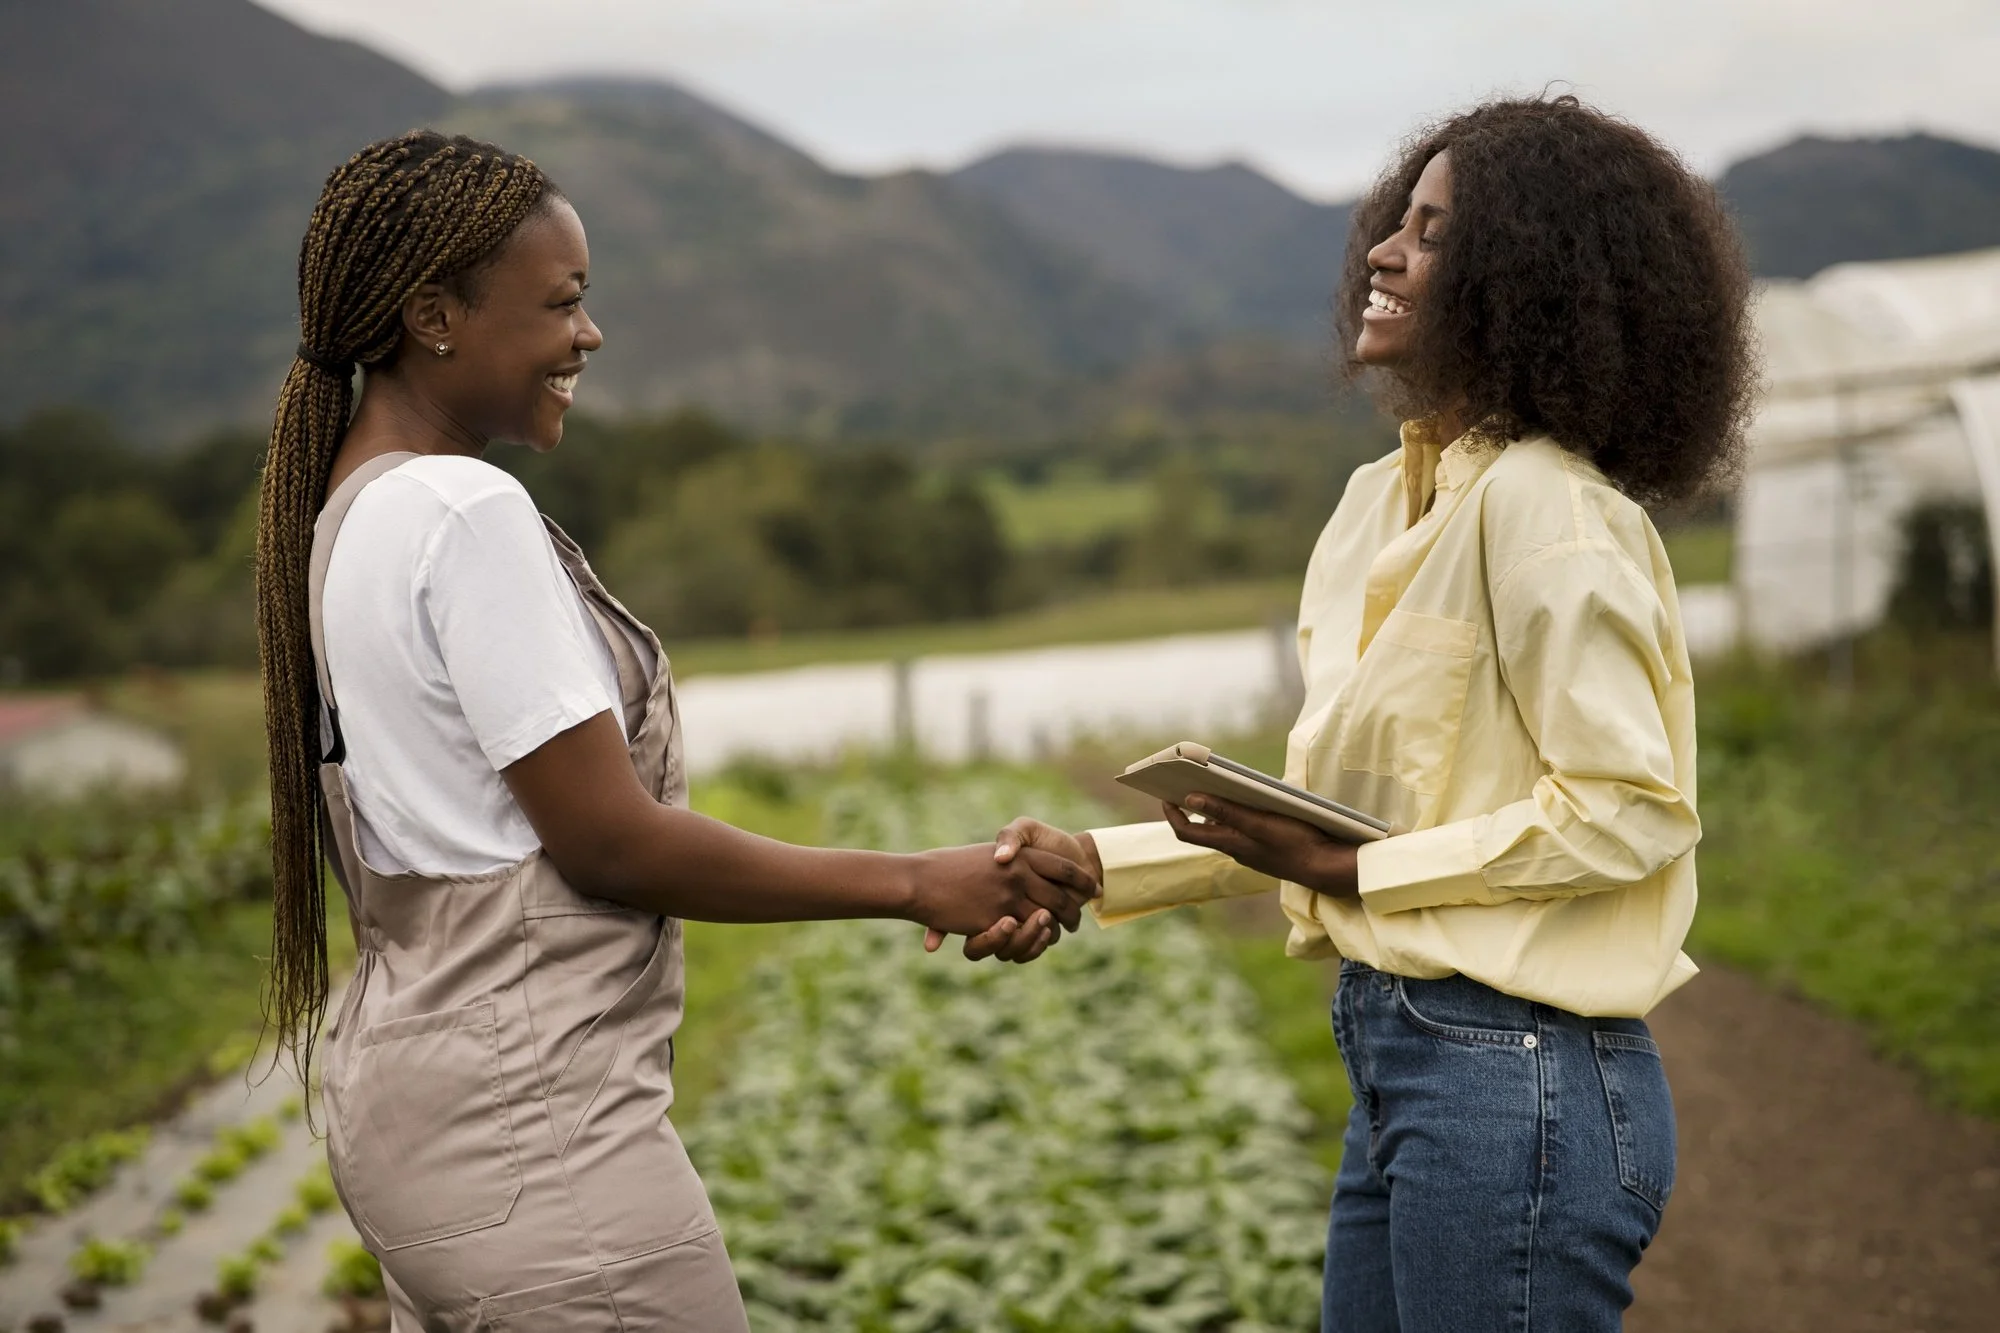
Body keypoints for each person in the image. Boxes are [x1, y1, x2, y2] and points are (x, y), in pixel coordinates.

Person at [254, 130, 1097, 1330]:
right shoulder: (464, 508)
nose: (587, 336)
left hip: (415, 1119)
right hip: (534, 1142)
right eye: (563, 302)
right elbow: (609, 843)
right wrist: (919, 878)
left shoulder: (350, 511)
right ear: (433, 314)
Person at [998, 94, 1755, 1332]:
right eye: (1394, 222)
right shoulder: (1371, 508)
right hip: (1405, 1064)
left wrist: (1360, 863)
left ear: (1529, 283)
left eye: (1434, 234)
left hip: (1519, 1085)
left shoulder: (1545, 508)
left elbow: (1629, 811)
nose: (1384, 254)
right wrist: (1098, 863)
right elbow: (1354, 825)